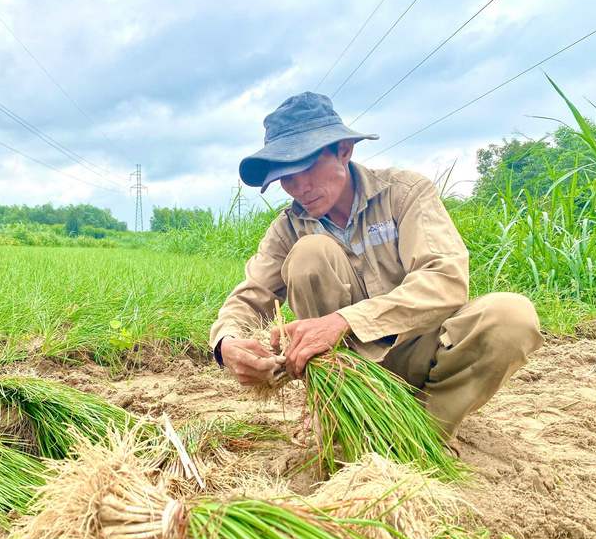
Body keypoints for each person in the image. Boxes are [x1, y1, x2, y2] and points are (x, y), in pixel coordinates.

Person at [210, 92, 544, 440]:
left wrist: (345, 321)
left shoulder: (406, 194)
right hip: (347, 371)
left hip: (422, 353)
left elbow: (444, 279)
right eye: (287, 178)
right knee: (311, 253)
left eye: (306, 168)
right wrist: (227, 344)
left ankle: (423, 434)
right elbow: (248, 300)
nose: (299, 188)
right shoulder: (288, 229)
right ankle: (339, 412)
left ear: (344, 150)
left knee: (512, 315)